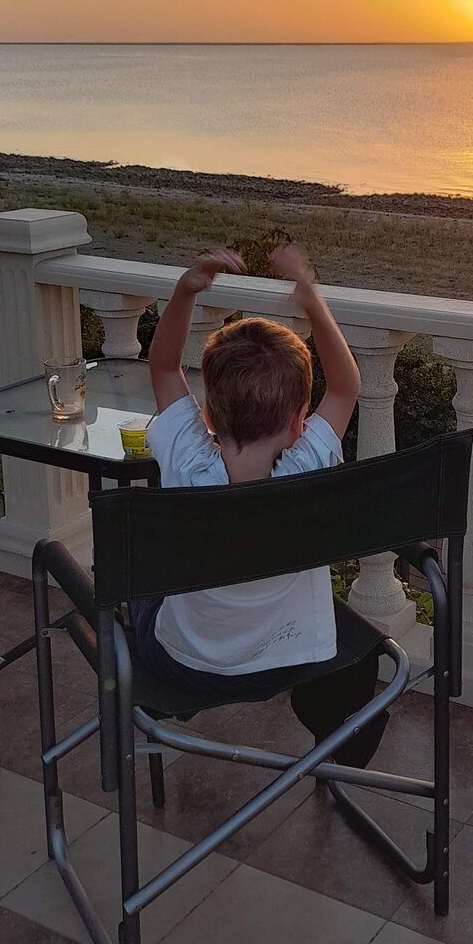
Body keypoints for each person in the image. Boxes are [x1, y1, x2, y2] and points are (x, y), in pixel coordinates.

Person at [140, 243, 387, 766]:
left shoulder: (186, 462)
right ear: (300, 421)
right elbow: (346, 388)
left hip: (184, 664)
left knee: (142, 591)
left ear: (208, 415)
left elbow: (163, 367)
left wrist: (185, 292)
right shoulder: (307, 469)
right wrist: (311, 297)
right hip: (291, 663)